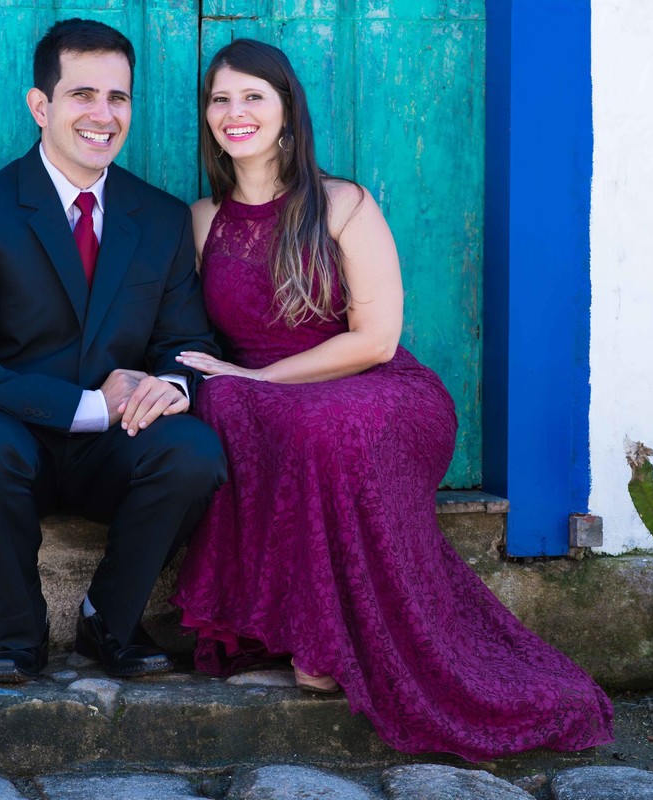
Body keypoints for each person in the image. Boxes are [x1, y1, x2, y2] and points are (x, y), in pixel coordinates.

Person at [169, 38, 614, 761]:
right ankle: (309, 635)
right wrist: (228, 382)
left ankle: (343, 646)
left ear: (287, 112)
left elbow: (375, 339)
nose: (234, 112)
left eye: (253, 96)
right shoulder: (199, 221)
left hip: (376, 390)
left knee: (315, 426)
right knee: (226, 410)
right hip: (268, 398)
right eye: (220, 99)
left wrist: (253, 378)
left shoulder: (343, 203)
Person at [0, 18, 226, 683]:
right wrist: (88, 403)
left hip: (113, 448)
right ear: (41, 106)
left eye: (118, 98)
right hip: (12, 435)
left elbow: (186, 341)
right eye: (83, 94)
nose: (103, 114)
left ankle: (108, 620)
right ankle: (18, 630)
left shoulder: (162, 218)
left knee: (194, 453)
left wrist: (172, 384)